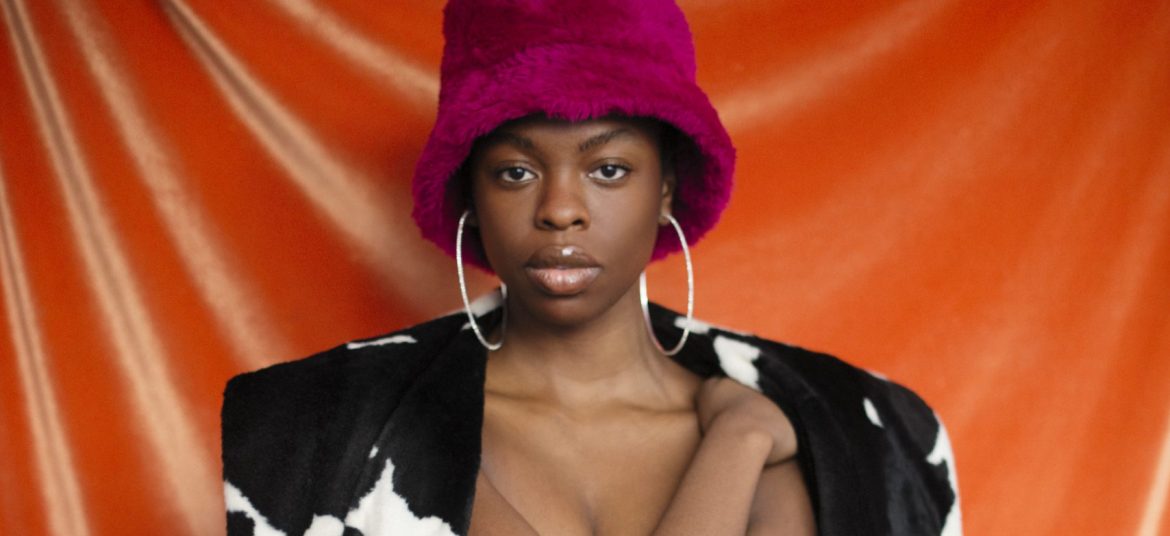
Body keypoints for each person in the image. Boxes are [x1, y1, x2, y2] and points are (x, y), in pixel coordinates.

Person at [221, 1, 960, 535]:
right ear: (469, 192)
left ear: (666, 187)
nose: (560, 210)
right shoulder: (320, 429)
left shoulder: (862, 431)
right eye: (515, 172)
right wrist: (738, 443)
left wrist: (747, 437)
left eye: (608, 169)